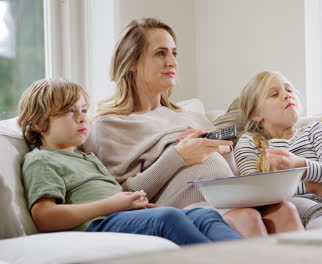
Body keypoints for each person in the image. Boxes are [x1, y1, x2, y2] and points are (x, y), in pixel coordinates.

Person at [82, 18, 303, 237]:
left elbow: (228, 172)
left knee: (284, 210)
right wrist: (179, 155)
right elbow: (121, 196)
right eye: (161, 53)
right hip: (189, 212)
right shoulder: (109, 125)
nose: (172, 62)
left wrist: (222, 151)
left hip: (229, 200)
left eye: (174, 53)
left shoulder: (193, 117)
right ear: (133, 62)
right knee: (246, 217)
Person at [18, 78, 242, 246]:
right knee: (168, 216)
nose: (82, 117)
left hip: (120, 216)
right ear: (38, 123)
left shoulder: (87, 158)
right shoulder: (41, 159)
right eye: (69, 111)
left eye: (84, 110)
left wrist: (137, 206)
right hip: (97, 225)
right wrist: (111, 205)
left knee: (204, 214)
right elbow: (44, 217)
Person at [234, 71, 322, 229]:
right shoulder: (248, 142)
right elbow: (254, 193)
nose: (287, 95)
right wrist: (312, 186)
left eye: (289, 90)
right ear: (256, 114)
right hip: (294, 206)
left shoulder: (316, 130)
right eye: (274, 94)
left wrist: (300, 164)